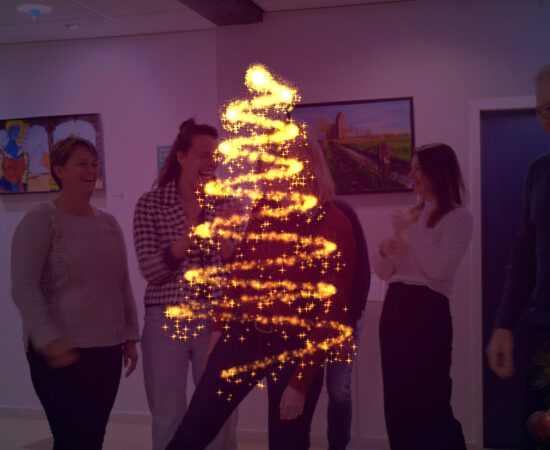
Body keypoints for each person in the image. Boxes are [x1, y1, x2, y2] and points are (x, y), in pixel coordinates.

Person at [166, 135, 357, 450]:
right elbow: (242, 272)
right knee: (193, 430)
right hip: (244, 334)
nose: (262, 177)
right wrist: (219, 327)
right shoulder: (265, 209)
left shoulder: (334, 224)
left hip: (295, 346)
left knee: (288, 443)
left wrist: (300, 383)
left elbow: (332, 313)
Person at [11, 135, 140, 450]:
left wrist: (130, 336)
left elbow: (121, 282)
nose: (91, 171)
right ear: (59, 169)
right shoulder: (41, 219)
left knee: (93, 437)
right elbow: (24, 287)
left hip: (107, 350)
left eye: (94, 164)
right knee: (71, 439)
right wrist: (49, 340)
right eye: (82, 163)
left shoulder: (109, 223)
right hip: (59, 352)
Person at [133, 119, 238, 450]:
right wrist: (190, 234)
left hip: (216, 319)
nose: (212, 162)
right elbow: (150, 268)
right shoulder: (151, 204)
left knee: (219, 411)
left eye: (215, 156)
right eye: (204, 155)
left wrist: (223, 235)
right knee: (168, 412)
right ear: (181, 156)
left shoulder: (225, 203)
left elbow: (236, 268)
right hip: (167, 318)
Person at [374, 143, 472, 450]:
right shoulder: (410, 216)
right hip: (396, 308)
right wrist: (384, 252)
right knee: (397, 400)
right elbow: (384, 273)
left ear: (437, 172)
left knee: (431, 400)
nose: (411, 174)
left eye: (417, 168)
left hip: (428, 313)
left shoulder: (459, 218)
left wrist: (412, 230)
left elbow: (439, 271)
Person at [486, 63, 550, 449]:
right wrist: (504, 325)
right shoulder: (539, 173)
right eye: (548, 108)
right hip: (544, 335)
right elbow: (523, 255)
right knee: (537, 432)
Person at [325, 198, 370, 450]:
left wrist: (348, 324)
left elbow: (361, 271)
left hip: (344, 317)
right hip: (309, 318)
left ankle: (338, 446)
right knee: (304, 388)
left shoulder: (343, 213)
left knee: (338, 388)